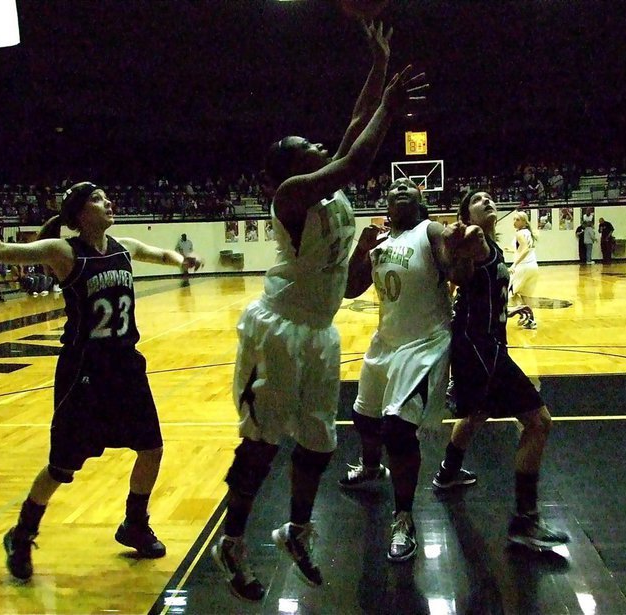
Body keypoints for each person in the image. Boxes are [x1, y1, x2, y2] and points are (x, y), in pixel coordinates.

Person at [212, 23, 426, 600]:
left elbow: (355, 131)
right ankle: (232, 539)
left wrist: (379, 64)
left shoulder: (330, 195)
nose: (318, 145)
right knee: (262, 440)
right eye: (307, 146)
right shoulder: (292, 196)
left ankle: (297, 530)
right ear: (289, 166)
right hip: (278, 331)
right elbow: (357, 155)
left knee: (319, 442)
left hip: (319, 331)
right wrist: (388, 105)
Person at [0, 181, 203, 582]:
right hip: (84, 372)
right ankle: (22, 534)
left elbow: (158, 252)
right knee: (62, 466)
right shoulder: (64, 252)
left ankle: (135, 523)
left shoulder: (124, 246)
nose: (109, 201)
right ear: (80, 213)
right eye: (98, 199)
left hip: (126, 366)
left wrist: (181, 260)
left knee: (151, 448)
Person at [338, 178, 477, 563]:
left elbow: (458, 275)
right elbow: (350, 289)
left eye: (409, 187)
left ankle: (403, 518)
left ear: (421, 201)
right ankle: (369, 468)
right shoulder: (380, 240)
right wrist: (360, 249)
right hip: (386, 342)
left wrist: (462, 252)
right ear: (385, 202)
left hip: (425, 344)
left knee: (398, 431)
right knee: (362, 417)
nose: (401, 188)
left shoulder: (428, 231)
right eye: (394, 186)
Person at [431, 189, 569, 550]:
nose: (488, 200)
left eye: (490, 197)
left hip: (481, 344)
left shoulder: (492, 245)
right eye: (478, 199)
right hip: (480, 346)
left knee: (477, 413)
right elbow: (459, 271)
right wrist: (460, 240)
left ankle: (447, 473)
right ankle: (525, 520)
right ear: (467, 214)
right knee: (539, 422)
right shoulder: (474, 243)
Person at [509, 210, 539, 329]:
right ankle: (531, 320)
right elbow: (525, 249)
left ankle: (522, 314)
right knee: (526, 296)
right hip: (533, 267)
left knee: (509, 293)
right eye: (514, 219)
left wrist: (514, 264)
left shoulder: (520, 233)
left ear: (524, 222)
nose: (514, 222)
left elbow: (525, 249)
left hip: (523, 267)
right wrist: (512, 251)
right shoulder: (528, 233)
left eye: (517, 219)